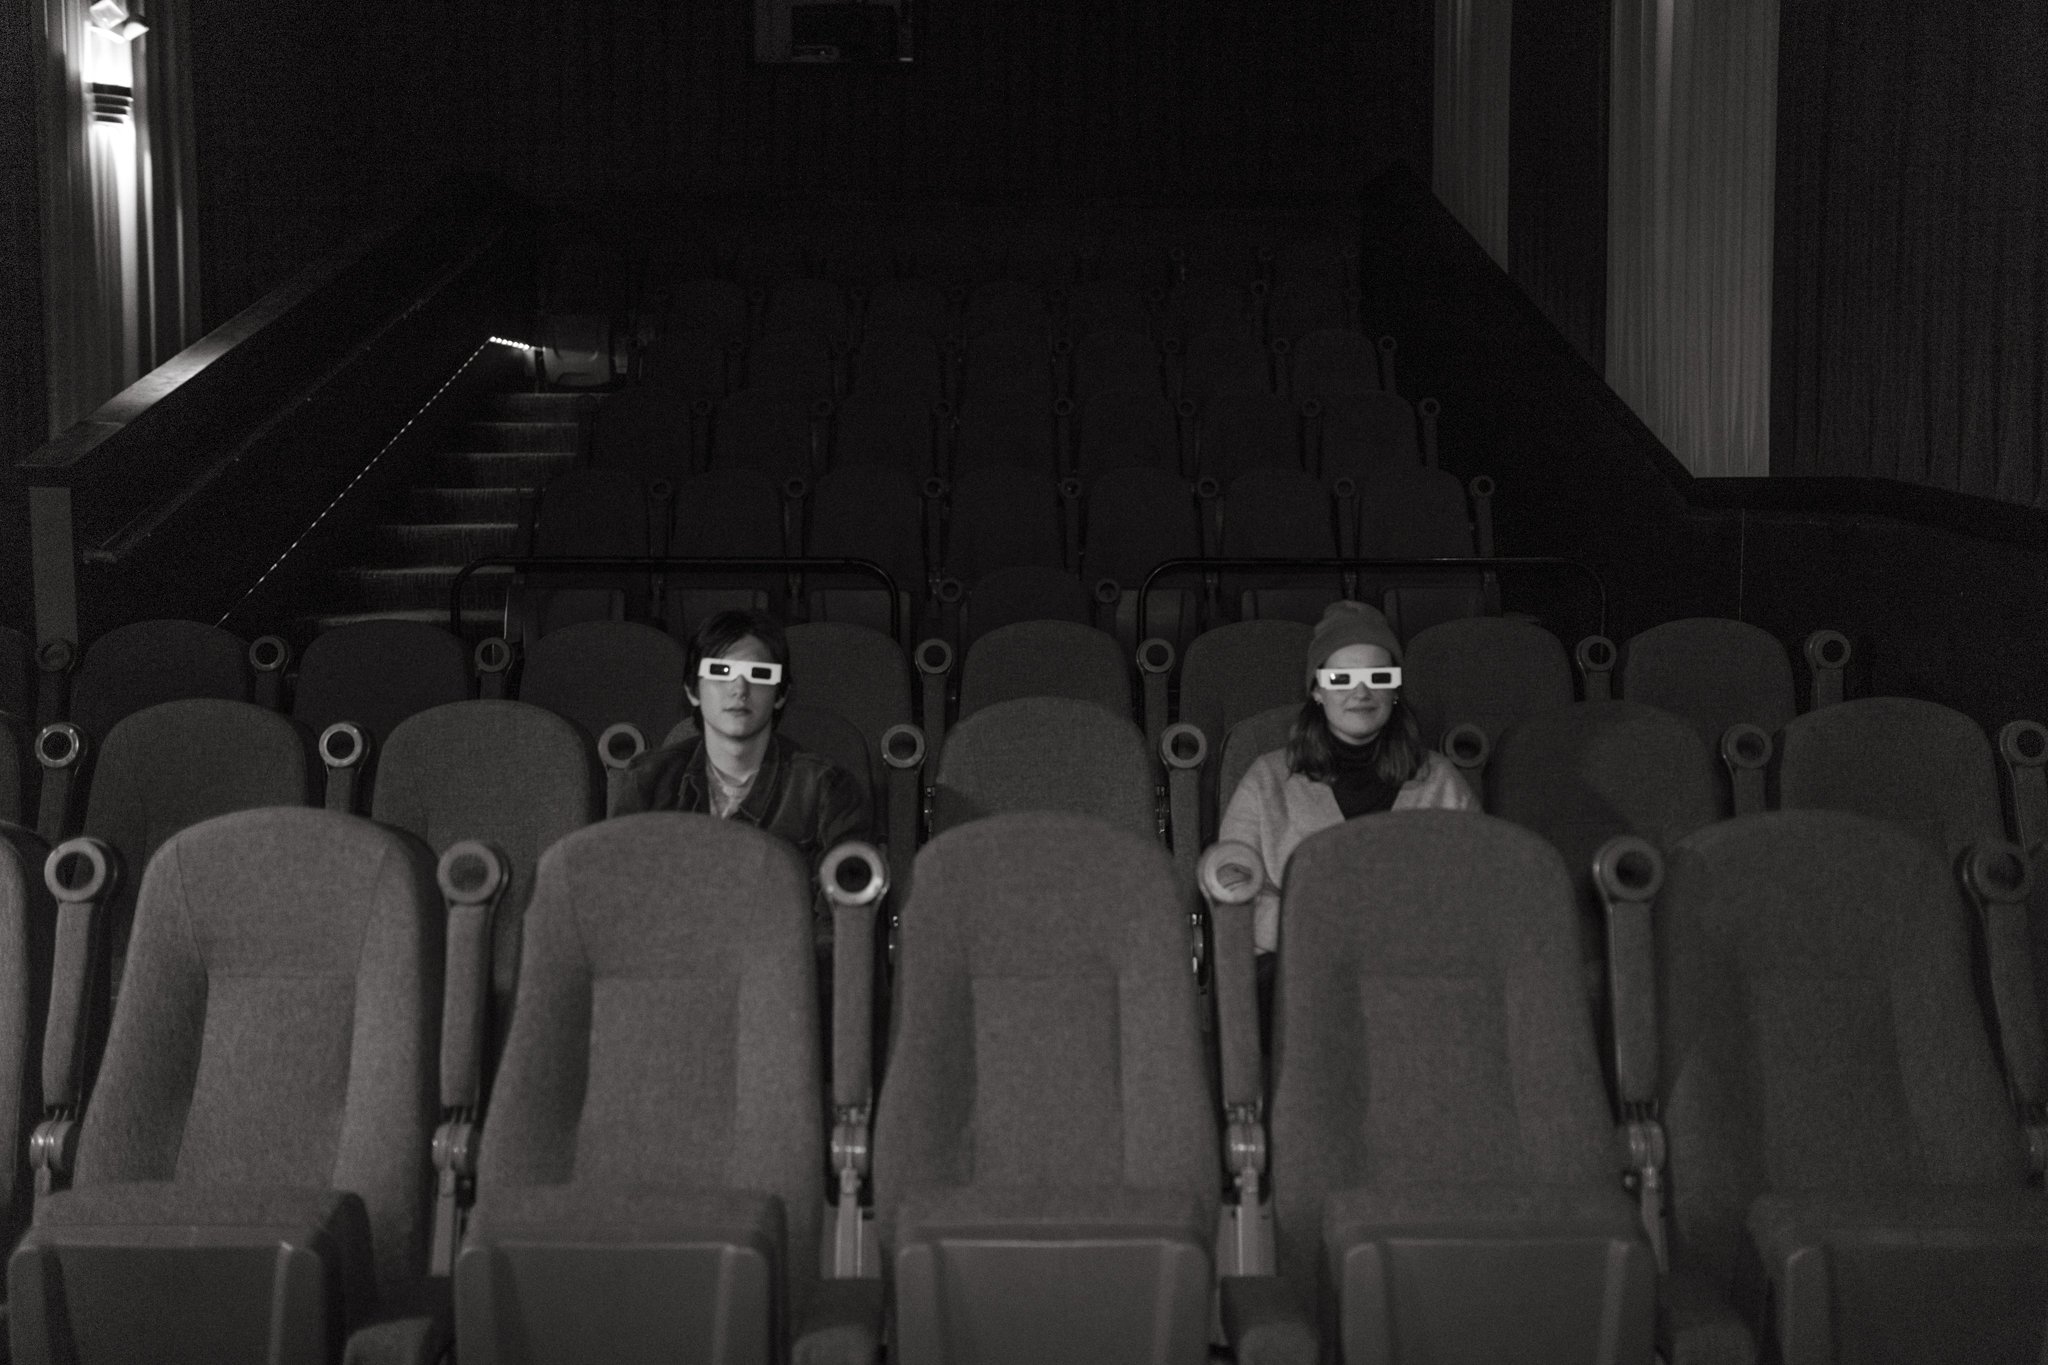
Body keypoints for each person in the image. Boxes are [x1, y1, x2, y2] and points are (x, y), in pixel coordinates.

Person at [1217, 601, 1477, 1017]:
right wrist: (1326, 931)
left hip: (1412, 965)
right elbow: (1232, 888)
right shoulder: (1266, 779)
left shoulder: (1441, 780)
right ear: (1317, 691)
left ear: (1395, 689)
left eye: (1378, 677)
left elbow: (1472, 889)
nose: (1361, 692)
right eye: (1341, 678)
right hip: (1300, 967)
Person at [612, 608, 870, 882]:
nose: (739, 689)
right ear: (692, 690)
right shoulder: (649, 780)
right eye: (721, 671)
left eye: (759, 673)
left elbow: (846, 915)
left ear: (781, 694)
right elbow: (617, 892)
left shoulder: (826, 789)